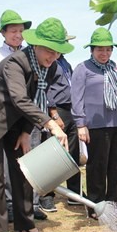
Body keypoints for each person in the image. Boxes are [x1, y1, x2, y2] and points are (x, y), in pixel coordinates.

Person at [0, 17, 71, 232]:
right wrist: (51, 124)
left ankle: (25, 223)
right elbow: (20, 98)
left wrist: (26, 132)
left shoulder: (51, 67)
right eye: (49, 51)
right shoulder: (15, 62)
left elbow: (39, 99)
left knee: (24, 169)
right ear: (36, 45)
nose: (53, 57)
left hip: (16, 121)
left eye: (57, 52)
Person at [0, 10, 46, 220]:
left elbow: (35, 92)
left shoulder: (33, 55)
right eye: (13, 31)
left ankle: (30, 206)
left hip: (26, 116)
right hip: (2, 116)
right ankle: (9, 205)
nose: (18, 35)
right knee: (4, 166)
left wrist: (28, 127)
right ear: (3, 33)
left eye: (21, 31)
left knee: (29, 160)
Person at [71, 27, 117, 220]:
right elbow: (76, 98)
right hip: (96, 125)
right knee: (97, 166)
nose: (104, 53)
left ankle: (113, 204)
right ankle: (96, 205)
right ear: (91, 49)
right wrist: (81, 123)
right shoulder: (83, 68)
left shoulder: (116, 67)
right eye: (100, 49)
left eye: (108, 49)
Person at [39, 45, 83, 212]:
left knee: (72, 152)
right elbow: (46, 87)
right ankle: (47, 195)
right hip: (56, 110)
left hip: (70, 108)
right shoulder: (50, 63)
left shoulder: (65, 63)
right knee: (53, 152)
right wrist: (53, 113)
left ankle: (74, 192)